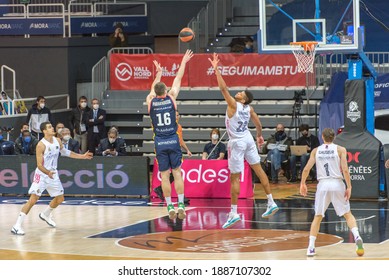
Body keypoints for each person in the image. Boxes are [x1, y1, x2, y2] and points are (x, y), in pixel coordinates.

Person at [208, 53, 279, 229]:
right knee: (258, 168)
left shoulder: (233, 105)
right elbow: (258, 123)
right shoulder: (249, 108)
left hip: (237, 142)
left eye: (241, 93)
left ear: (243, 99)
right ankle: (271, 202)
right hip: (248, 138)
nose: (238, 92)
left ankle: (233, 213)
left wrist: (217, 70)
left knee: (234, 178)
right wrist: (259, 136)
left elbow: (223, 89)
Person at [11, 121, 93, 235]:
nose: (52, 128)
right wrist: (47, 172)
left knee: (60, 199)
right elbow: (39, 165)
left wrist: (82, 156)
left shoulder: (57, 140)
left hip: (53, 174)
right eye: (49, 127)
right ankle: (17, 225)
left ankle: (45, 214)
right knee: (33, 200)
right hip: (42, 174)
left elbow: (65, 152)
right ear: (44, 131)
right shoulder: (41, 145)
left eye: (52, 127)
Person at [300, 128, 364, 257]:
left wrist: (302, 183)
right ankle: (357, 237)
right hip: (337, 183)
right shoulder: (340, 149)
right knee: (347, 214)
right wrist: (349, 187)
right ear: (334, 137)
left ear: (323, 137)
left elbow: (306, 169)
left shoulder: (316, 151)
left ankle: (311, 247)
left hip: (323, 185)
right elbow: (345, 170)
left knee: (317, 217)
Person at [146, 49, 193, 220]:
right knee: (178, 173)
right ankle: (180, 203)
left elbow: (153, 88)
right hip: (173, 139)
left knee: (164, 176)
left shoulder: (150, 101)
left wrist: (158, 74)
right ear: (165, 91)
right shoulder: (171, 97)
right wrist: (184, 62)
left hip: (160, 141)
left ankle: (169, 205)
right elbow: (178, 78)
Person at [153, 110, 192, 202]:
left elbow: (181, 140)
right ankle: (175, 197)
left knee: (176, 173)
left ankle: (177, 195)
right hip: (165, 151)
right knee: (171, 174)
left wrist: (187, 150)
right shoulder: (166, 126)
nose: (177, 117)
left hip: (175, 151)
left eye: (178, 115)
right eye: (176, 115)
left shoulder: (179, 127)